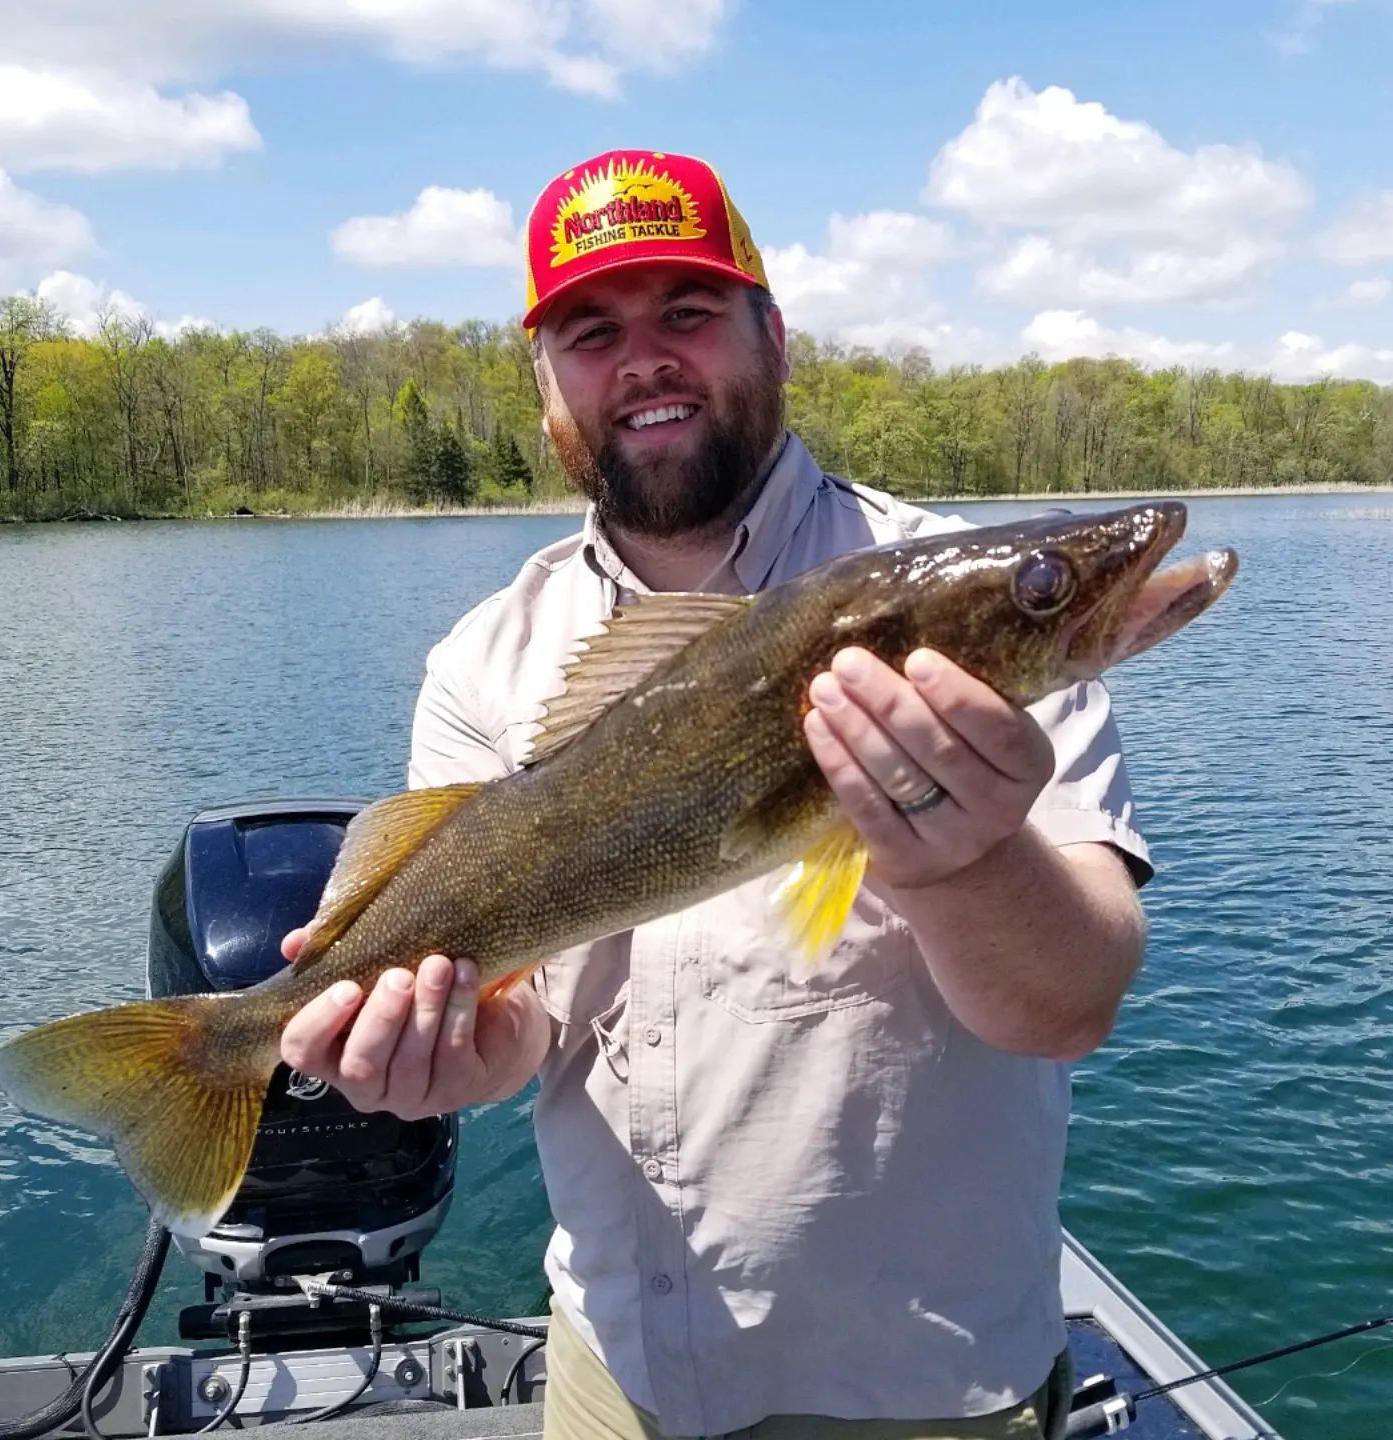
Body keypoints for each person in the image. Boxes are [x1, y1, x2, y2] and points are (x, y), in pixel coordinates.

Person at [280, 149, 1151, 1440]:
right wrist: (441, 1058)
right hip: (623, 1371)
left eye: (688, 312)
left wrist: (962, 859)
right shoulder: (482, 661)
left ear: (775, 336)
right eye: (592, 331)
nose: (644, 359)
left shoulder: (939, 602)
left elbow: (1071, 1004)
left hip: (930, 1384)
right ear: (548, 391)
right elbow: (525, 1033)